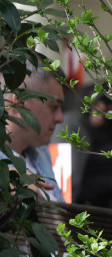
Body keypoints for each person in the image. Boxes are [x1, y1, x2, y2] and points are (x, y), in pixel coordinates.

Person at [4, 64, 68, 201]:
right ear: (20, 105)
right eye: (54, 107)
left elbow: (63, 218)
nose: (60, 118)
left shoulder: (41, 151)